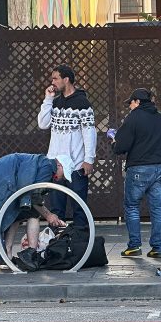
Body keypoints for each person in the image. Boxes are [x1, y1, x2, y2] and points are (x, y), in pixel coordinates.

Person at [0, 153, 73, 267]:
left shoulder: (44, 164)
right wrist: (49, 215)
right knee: (32, 214)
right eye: (64, 174)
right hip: (1, 176)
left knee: (17, 213)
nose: (63, 178)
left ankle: (7, 255)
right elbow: (34, 197)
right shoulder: (47, 167)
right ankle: (30, 254)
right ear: (59, 165)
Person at [112, 88, 161, 259]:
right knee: (158, 209)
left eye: (130, 103)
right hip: (160, 167)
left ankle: (134, 246)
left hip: (138, 168)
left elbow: (121, 147)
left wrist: (114, 142)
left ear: (137, 102)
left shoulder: (134, 117)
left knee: (131, 207)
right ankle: (158, 248)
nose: (129, 107)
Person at [38, 64, 97, 228]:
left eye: (55, 78)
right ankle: (57, 245)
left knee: (80, 208)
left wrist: (89, 159)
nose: (52, 82)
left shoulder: (83, 103)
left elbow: (89, 133)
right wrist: (48, 99)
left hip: (76, 165)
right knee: (57, 209)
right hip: (56, 166)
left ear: (66, 79)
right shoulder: (55, 102)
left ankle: (82, 244)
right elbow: (43, 124)